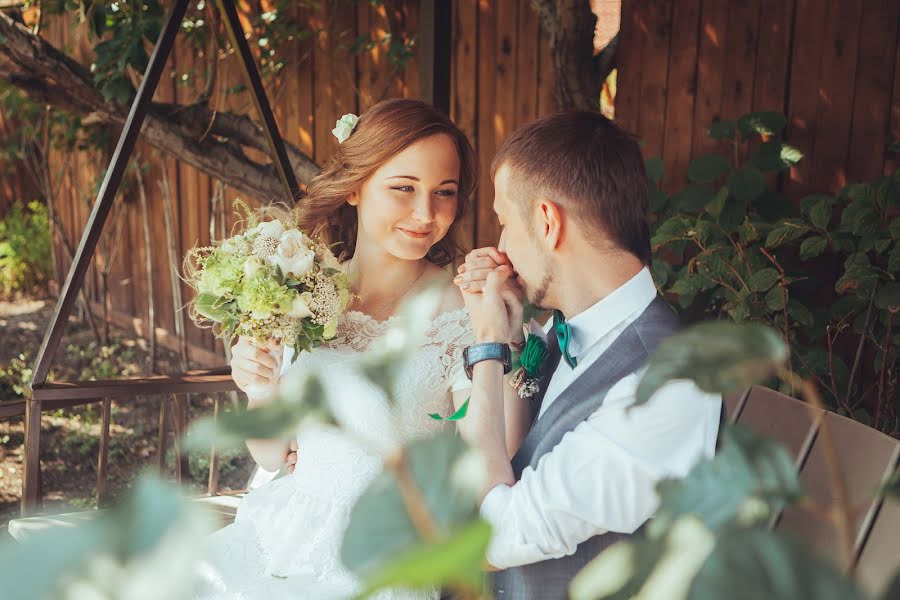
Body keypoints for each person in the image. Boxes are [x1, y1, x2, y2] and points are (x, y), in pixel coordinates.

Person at [194, 98, 526, 600]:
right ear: (355, 186)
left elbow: (500, 448)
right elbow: (270, 454)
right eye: (403, 188)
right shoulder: (300, 290)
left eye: (445, 192)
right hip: (284, 533)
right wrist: (259, 391)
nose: (425, 213)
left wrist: (507, 334)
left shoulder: (465, 305)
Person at [454, 110, 722, 599]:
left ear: (547, 222)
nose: (500, 248)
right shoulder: (568, 335)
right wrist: (513, 342)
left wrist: (487, 345)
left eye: (505, 224)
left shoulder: (664, 388)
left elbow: (490, 535)